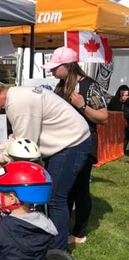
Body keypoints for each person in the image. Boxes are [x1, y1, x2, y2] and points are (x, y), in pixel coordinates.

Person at [0, 79, 91, 250]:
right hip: (70, 139)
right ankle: (50, 240)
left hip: (71, 142)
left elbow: (25, 144)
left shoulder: (18, 104)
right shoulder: (16, 97)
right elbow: (18, 137)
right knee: (55, 196)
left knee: (55, 197)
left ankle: (57, 252)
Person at [41, 47, 108, 245]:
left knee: (79, 189)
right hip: (61, 144)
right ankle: (61, 228)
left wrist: (82, 106)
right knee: (64, 190)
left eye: (55, 67)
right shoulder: (60, 86)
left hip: (83, 145)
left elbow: (103, 117)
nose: (51, 71)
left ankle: (79, 233)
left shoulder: (89, 86)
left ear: (68, 66)